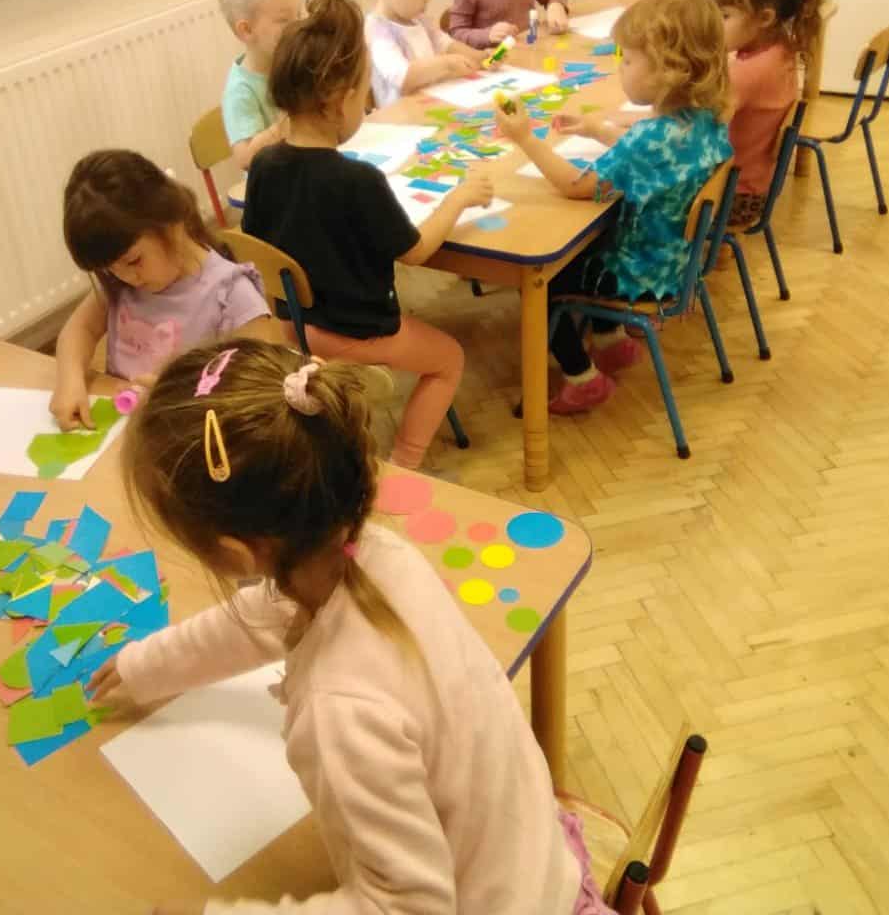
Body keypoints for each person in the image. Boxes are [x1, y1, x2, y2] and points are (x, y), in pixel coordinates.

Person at [89, 341, 613, 913]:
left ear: (237, 554)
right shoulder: (375, 553)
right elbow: (258, 618)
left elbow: (407, 908)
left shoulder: (338, 709)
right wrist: (145, 664)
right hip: (538, 859)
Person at [241, 0, 493, 467]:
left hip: (293, 325)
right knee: (449, 360)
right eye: (365, 92)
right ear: (340, 101)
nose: (367, 103)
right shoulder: (357, 180)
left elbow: (258, 244)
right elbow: (416, 252)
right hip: (356, 332)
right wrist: (458, 198)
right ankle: (405, 464)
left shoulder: (265, 165)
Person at [496, 0, 733, 413]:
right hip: (675, 262)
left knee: (542, 279)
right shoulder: (703, 120)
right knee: (589, 240)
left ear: (667, 72)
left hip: (637, 273)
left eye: (627, 60)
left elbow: (575, 185)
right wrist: (598, 130)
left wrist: (525, 138)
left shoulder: (649, 138)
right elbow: (649, 158)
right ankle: (610, 340)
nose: (619, 68)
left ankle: (582, 378)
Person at [50, 151, 274, 429]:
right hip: (125, 430)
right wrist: (70, 380)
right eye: (109, 269)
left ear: (172, 225)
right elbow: (79, 329)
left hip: (192, 434)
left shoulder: (232, 296)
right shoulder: (120, 282)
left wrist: (177, 397)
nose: (125, 277)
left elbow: (257, 395)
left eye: (134, 261)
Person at [702, 0, 825, 226]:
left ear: (765, 17)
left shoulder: (748, 74)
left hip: (730, 196)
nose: (711, 25)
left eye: (724, 16)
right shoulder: (780, 47)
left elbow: (694, 129)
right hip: (754, 187)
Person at [218, 0, 302, 169]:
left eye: (299, 16)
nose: (298, 26)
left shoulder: (289, 60)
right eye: (284, 20)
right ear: (247, 30)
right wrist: (288, 124)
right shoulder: (240, 91)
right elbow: (246, 158)